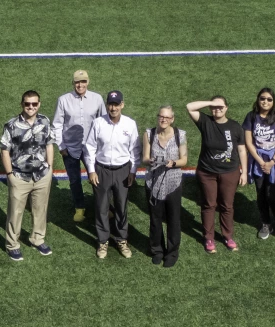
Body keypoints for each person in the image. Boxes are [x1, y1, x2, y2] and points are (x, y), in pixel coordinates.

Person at [186, 96, 248, 253]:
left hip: (230, 172)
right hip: (207, 172)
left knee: (227, 205)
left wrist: (244, 172)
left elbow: (241, 150)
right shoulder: (205, 122)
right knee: (209, 204)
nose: (217, 109)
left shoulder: (235, 127)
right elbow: (190, 107)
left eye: (221, 106)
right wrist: (210, 103)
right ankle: (209, 238)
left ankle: (227, 236)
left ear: (227, 108)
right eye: (214, 107)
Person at [84, 90, 140, 259]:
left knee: (121, 207)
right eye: (110, 104)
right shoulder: (98, 123)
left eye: (116, 104)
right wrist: (91, 170)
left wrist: (132, 171)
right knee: (101, 207)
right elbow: (90, 148)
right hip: (101, 170)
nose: (113, 108)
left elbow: (135, 150)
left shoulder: (130, 124)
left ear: (122, 104)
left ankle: (121, 239)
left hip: (123, 171)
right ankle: (103, 241)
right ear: (107, 105)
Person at [1, 90, 55, 261]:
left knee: (40, 209)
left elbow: (49, 145)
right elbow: (4, 151)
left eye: (34, 104)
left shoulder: (45, 121)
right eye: (27, 104)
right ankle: (12, 244)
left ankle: (37, 239)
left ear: (39, 104)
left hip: (42, 175)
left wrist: (50, 167)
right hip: (19, 176)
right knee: (15, 213)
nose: (31, 107)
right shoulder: (11, 125)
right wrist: (10, 174)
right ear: (22, 104)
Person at [52, 70, 107, 223]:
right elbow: (57, 124)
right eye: (77, 82)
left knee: (97, 178)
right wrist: (61, 146)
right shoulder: (63, 100)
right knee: (74, 179)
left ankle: (103, 207)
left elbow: (103, 122)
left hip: (92, 148)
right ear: (73, 83)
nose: (80, 85)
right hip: (70, 148)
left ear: (88, 82)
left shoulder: (97, 98)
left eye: (83, 82)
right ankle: (79, 207)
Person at [142, 105, 188, 267]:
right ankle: (157, 250)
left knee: (173, 219)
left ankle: (172, 252)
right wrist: (151, 161)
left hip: (173, 183)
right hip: (153, 182)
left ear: (172, 119)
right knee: (155, 219)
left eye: (167, 118)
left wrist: (173, 162)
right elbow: (144, 158)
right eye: (161, 116)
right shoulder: (149, 134)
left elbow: (184, 160)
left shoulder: (180, 135)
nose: (163, 120)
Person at [242, 87, 275, 241]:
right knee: (261, 194)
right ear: (258, 99)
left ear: (273, 101)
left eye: (269, 99)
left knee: (272, 195)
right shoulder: (251, 116)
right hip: (258, 160)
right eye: (262, 98)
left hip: (274, 160)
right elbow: (249, 142)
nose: (265, 101)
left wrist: (272, 162)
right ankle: (266, 223)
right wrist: (261, 161)